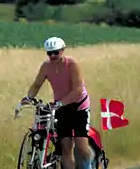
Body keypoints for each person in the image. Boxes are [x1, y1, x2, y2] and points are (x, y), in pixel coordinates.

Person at [20, 37, 94, 169]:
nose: (53, 56)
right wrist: (28, 97)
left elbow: (78, 90)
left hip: (79, 106)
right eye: (49, 53)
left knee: (81, 146)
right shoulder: (46, 67)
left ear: (62, 50)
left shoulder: (71, 64)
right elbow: (36, 85)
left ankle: (89, 165)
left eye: (56, 52)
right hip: (61, 107)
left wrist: (59, 103)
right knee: (66, 147)